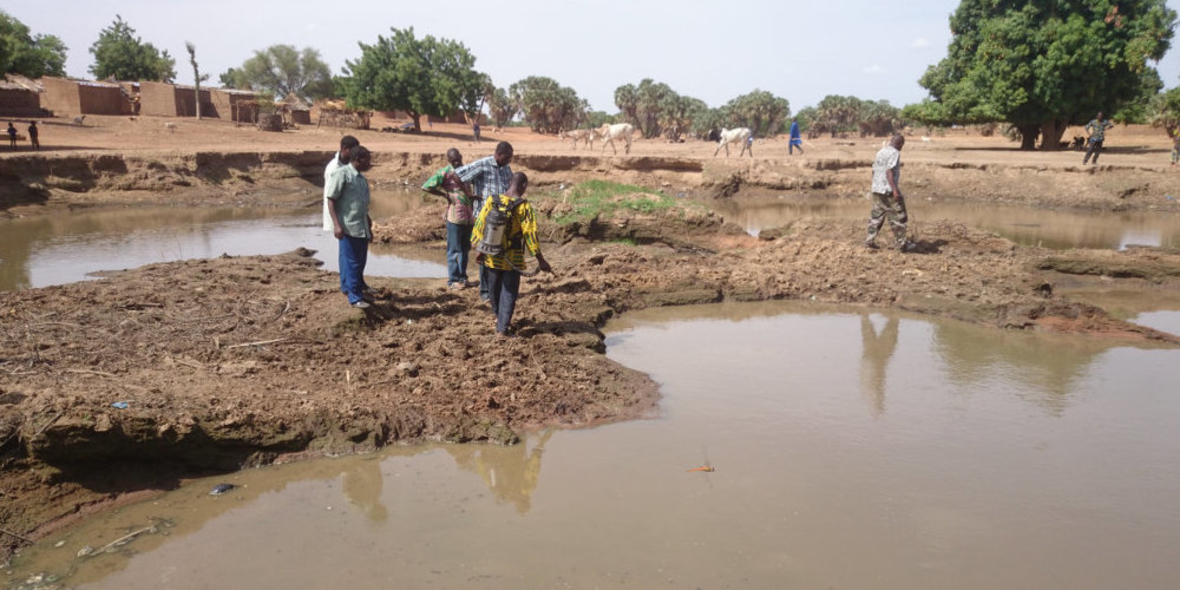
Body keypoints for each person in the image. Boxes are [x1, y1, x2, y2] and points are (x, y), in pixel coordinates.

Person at [471, 172, 552, 337]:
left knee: (493, 290)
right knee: (509, 292)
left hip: (491, 255)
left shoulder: (492, 200)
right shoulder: (524, 206)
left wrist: (478, 249)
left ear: (509, 183)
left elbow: (480, 225)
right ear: (524, 186)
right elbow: (530, 234)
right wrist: (540, 260)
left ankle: (498, 318)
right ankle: (502, 329)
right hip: (513, 258)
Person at [454, 141, 514, 301]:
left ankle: (496, 288)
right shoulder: (483, 164)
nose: (510, 160)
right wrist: (469, 194)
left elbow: (510, 185)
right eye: (508, 157)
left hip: (501, 217)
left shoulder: (506, 167)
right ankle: (485, 291)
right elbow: (458, 174)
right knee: (485, 252)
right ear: (499, 154)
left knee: (498, 252)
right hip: (484, 216)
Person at [326, 145, 374, 308]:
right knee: (352, 262)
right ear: (357, 160)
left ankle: (353, 290)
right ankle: (355, 298)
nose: (370, 163)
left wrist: (368, 222)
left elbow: (360, 205)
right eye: (367, 160)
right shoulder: (342, 175)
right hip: (348, 227)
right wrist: (337, 226)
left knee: (359, 262)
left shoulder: (361, 179)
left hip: (361, 228)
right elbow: (331, 200)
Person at [422, 148, 476, 289]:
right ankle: (453, 280)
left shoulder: (467, 170)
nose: (457, 162)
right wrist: (444, 195)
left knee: (465, 248)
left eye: (458, 159)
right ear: (449, 160)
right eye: (453, 161)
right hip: (455, 216)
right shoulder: (444, 173)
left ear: (461, 156)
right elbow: (427, 186)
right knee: (454, 249)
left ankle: (463, 278)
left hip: (469, 216)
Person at [864, 134, 912, 251]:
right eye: (902, 145)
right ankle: (902, 244)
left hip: (877, 188)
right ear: (900, 144)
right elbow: (889, 171)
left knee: (876, 215)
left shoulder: (881, 152)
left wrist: (876, 184)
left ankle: (869, 240)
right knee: (899, 216)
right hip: (888, 190)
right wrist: (895, 190)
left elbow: (874, 170)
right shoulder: (894, 153)